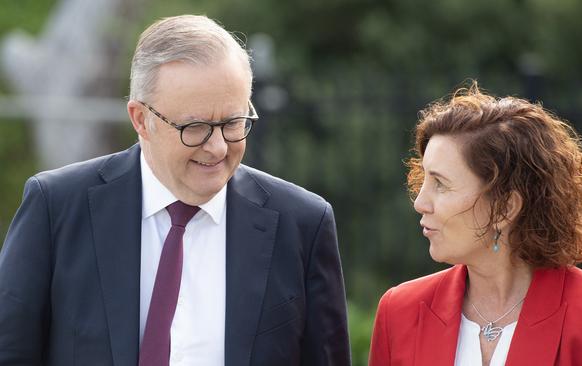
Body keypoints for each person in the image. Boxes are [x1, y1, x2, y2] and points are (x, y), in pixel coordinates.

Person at [0, 15, 350, 366]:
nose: (217, 147)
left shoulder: (302, 223)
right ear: (140, 119)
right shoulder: (56, 207)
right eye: (195, 127)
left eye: (232, 123)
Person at [368, 83, 582, 366]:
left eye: (440, 184)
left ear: (505, 207)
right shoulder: (399, 312)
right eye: (424, 180)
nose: (420, 202)